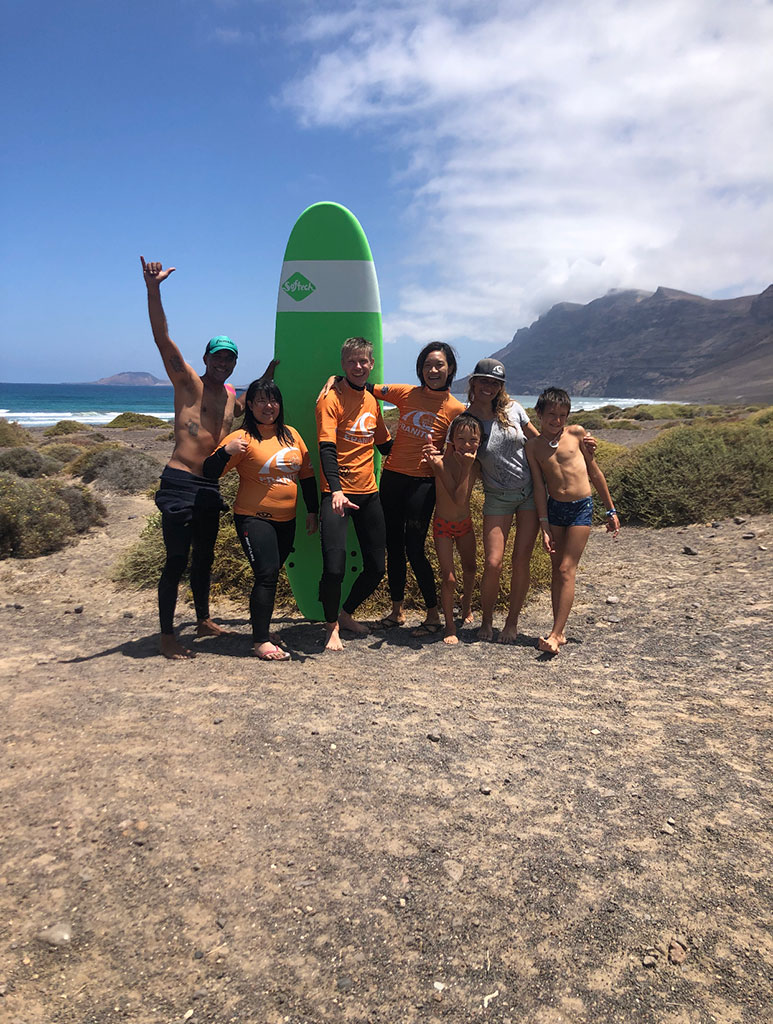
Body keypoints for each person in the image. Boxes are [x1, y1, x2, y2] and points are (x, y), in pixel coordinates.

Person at [320, 342, 465, 636]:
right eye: (427, 365)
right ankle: (397, 611)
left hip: (423, 483)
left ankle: (433, 614)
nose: (433, 371)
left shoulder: (456, 409)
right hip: (391, 479)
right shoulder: (405, 393)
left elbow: (461, 450)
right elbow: (364, 385)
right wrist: (334, 379)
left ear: (450, 369)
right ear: (420, 369)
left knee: (414, 546)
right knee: (394, 548)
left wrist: (440, 460)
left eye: (439, 365)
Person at [202, 377, 318, 661]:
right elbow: (209, 471)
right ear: (251, 405)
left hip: (286, 520)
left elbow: (306, 476)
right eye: (262, 400)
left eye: (274, 399)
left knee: (270, 574)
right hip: (253, 519)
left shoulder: (291, 435)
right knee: (266, 575)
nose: (269, 406)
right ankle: (260, 641)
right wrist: (225, 453)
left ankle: (262, 628)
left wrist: (312, 510)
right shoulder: (242, 439)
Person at [526, 386, 620, 655]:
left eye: (562, 415)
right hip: (555, 510)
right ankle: (561, 630)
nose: (557, 420)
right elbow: (538, 487)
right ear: (539, 414)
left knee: (568, 569)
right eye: (551, 415)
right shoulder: (533, 447)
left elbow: (595, 472)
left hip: (581, 507)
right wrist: (544, 525)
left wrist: (611, 511)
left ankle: (554, 635)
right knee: (557, 571)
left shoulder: (577, 434)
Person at [316, 337, 393, 652]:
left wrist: (433, 453)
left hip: (368, 493)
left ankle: (346, 613)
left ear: (371, 364)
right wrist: (335, 489)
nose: (359, 367)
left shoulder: (373, 402)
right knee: (333, 567)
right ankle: (331, 625)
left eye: (364, 361)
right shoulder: (330, 398)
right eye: (352, 361)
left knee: (376, 566)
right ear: (343, 363)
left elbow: (385, 445)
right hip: (335, 494)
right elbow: (327, 448)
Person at [466, 358, 541, 644]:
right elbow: (463, 462)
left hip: (529, 495)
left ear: (501, 386)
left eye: (495, 382)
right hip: (497, 497)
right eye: (484, 381)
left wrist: (574, 445)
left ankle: (511, 623)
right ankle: (486, 620)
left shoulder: (514, 410)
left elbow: (537, 442)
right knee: (493, 563)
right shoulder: (467, 420)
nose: (489, 387)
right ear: (473, 382)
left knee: (521, 561)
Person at [421, 413, 482, 644]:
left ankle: (466, 607)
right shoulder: (440, 463)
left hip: (465, 524)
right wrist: (465, 469)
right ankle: (449, 625)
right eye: (461, 439)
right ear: (452, 440)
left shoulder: (477, 465)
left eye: (473, 440)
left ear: (480, 441)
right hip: (443, 526)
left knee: (470, 567)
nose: (467, 445)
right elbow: (458, 498)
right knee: (449, 579)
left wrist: (469, 467)